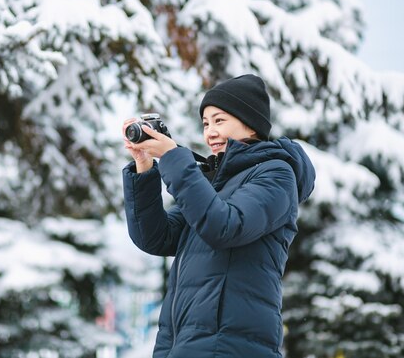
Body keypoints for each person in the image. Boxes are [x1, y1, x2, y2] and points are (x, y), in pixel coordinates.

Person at [121, 74, 315, 358]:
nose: (210, 131)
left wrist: (174, 157)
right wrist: (145, 166)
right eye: (206, 123)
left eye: (219, 120)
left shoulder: (276, 174)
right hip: (182, 345)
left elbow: (223, 226)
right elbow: (155, 237)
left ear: (250, 122)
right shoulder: (214, 186)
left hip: (230, 346)